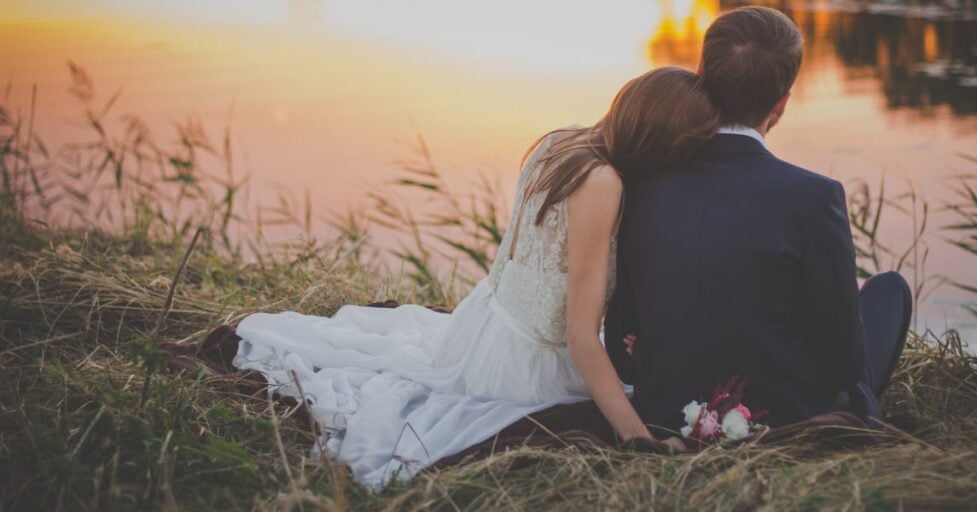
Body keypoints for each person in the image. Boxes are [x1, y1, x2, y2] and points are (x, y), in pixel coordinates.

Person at [231, 67, 719, 489]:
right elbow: (578, 337)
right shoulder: (603, 183)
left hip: (483, 322)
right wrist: (638, 441)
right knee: (639, 404)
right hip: (524, 363)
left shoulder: (563, 141)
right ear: (664, 144)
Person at [604, 6, 913, 432]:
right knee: (889, 291)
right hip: (781, 413)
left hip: (667, 410)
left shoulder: (640, 185)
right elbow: (841, 365)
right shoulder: (815, 197)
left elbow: (621, 348)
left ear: (701, 75)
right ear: (782, 101)